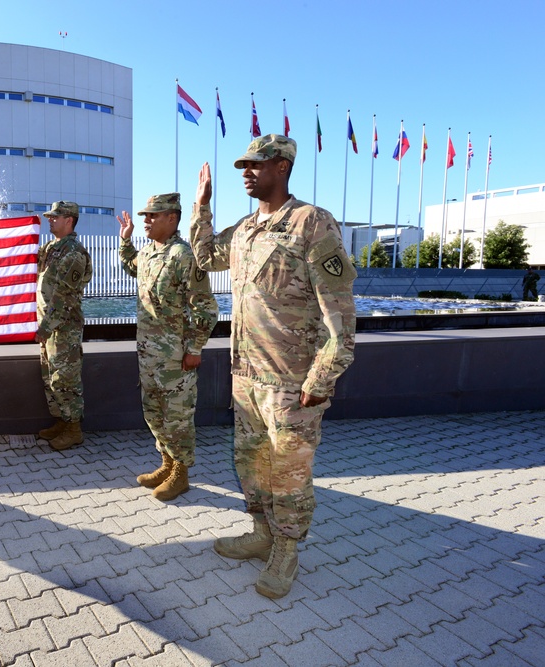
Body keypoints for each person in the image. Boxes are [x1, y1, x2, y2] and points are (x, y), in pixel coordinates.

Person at [189, 134, 356, 599]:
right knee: (251, 464)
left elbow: (339, 310)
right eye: (242, 165)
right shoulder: (245, 229)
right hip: (247, 377)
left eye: (256, 165)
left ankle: (287, 549)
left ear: (282, 167)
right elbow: (205, 258)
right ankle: (262, 533)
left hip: (292, 381)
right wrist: (202, 207)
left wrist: (322, 377)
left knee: (288, 472)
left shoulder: (312, 223)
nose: (246, 172)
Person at [117, 193, 217, 501]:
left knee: (177, 415)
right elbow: (132, 267)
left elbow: (204, 307)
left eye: (152, 216)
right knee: (154, 412)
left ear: (171, 219)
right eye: (145, 216)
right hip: (149, 352)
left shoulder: (183, 256)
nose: (146, 220)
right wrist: (125, 241)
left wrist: (195, 348)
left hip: (175, 355)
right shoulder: (149, 253)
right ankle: (166, 463)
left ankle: (181, 474)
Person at [36, 201, 93, 451]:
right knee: (50, 377)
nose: (50, 220)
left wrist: (46, 326)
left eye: (55, 217)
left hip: (63, 326)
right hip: (48, 324)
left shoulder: (74, 253)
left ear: (69, 220)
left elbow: (65, 296)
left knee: (65, 379)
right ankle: (60, 420)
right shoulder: (51, 247)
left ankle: (74, 429)